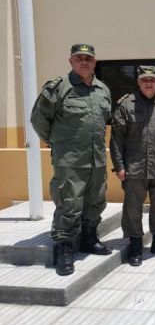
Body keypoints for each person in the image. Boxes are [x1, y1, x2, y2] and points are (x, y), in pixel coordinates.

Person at [30, 44, 112, 276]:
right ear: (71, 61)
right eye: (79, 58)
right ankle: (64, 249)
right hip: (70, 161)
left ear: (95, 62)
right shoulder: (58, 88)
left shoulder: (102, 89)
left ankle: (88, 238)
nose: (84, 62)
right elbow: (39, 120)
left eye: (88, 58)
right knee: (69, 204)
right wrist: (57, 143)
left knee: (96, 201)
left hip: (96, 159)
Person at [110, 66, 155, 266]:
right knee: (132, 209)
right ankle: (135, 246)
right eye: (144, 80)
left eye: (152, 79)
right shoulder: (126, 105)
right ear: (138, 82)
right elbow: (117, 140)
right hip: (134, 168)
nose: (148, 83)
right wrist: (119, 166)